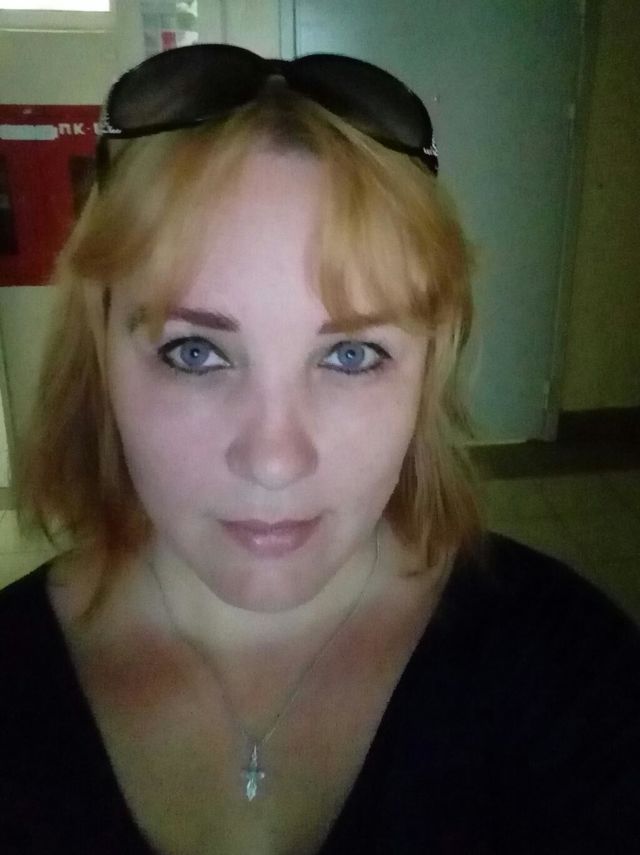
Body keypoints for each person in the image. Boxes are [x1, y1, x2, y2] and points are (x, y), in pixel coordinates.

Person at [0, 44, 638, 855]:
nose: (274, 460)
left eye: (351, 354)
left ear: (428, 367)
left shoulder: (573, 673)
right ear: (100, 356)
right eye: (194, 351)